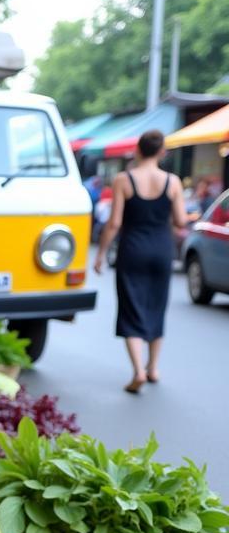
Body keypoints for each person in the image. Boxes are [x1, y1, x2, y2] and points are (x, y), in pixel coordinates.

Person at [94, 129, 188, 393]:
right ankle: (153, 367)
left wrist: (101, 254)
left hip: (132, 250)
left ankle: (137, 371)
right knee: (156, 306)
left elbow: (114, 223)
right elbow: (181, 222)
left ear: (137, 150)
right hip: (161, 250)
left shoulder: (123, 180)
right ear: (162, 152)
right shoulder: (173, 182)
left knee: (131, 306)